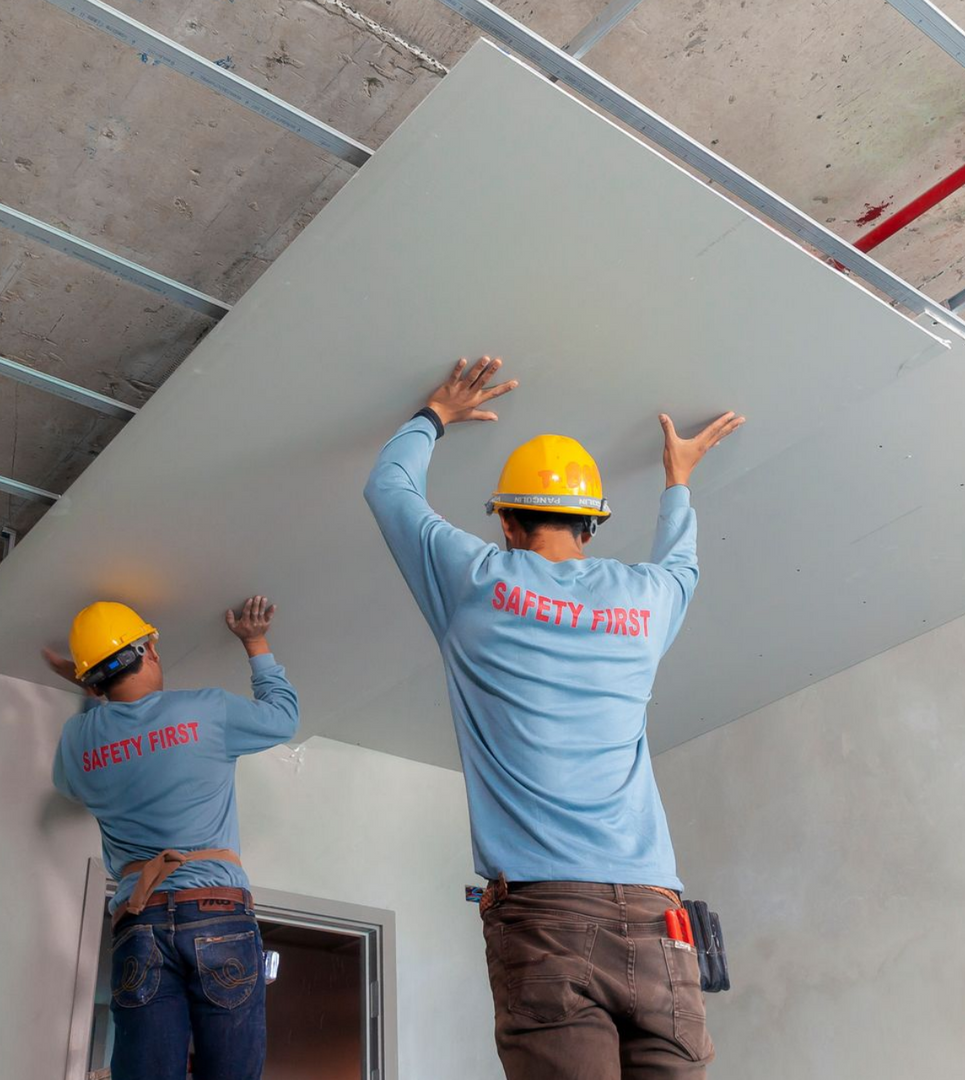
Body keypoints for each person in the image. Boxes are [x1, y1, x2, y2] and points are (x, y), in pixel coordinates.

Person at [364, 356, 743, 1080]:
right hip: (659, 921)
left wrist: (435, 414)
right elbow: (683, 566)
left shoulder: (474, 580)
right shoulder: (645, 600)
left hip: (547, 917)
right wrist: (678, 480)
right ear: (593, 525)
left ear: (506, 521)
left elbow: (388, 488)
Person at [44, 596, 298, 1080]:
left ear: (92, 681)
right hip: (216, 912)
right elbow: (284, 716)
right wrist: (255, 641)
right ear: (150, 652)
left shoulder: (78, 741)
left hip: (140, 919)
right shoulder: (205, 710)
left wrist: (97, 695)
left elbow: (70, 782)